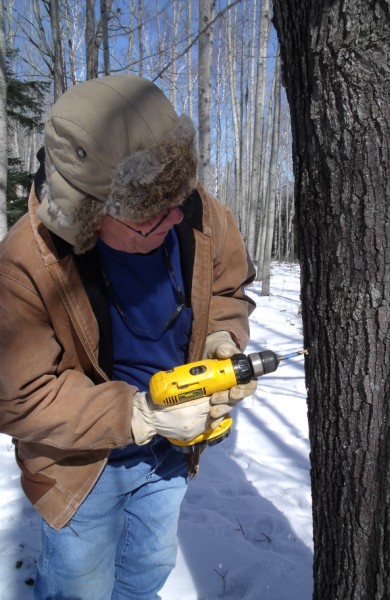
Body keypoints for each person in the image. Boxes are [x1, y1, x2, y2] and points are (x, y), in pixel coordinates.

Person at [0, 74, 257, 599]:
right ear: (91, 212)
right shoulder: (28, 263)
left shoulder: (191, 208)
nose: (171, 220)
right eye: (147, 220)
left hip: (172, 449)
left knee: (149, 569)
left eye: (176, 204)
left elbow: (228, 285)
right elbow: (18, 396)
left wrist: (221, 340)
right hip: (82, 467)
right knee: (81, 587)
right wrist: (136, 414)